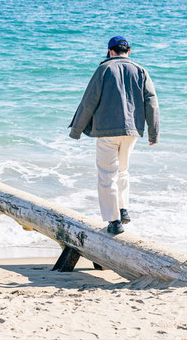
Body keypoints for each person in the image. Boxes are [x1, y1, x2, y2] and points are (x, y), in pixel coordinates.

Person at [68, 36, 159, 235]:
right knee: (123, 170)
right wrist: (153, 132)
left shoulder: (104, 69)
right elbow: (151, 102)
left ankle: (114, 221)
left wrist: (76, 130)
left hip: (107, 130)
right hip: (132, 131)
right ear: (129, 51)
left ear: (110, 51)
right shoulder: (141, 71)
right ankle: (123, 208)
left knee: (107, 175)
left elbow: (89, 101)